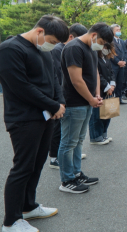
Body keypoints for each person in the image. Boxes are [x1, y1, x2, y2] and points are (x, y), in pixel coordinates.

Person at [0, 15, 69, 232]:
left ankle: (28, 206)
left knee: (37, 164)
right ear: (39, 32)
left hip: (46, 117)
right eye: (53, 41)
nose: (53, 46)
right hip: (24, 118)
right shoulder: (10, 49)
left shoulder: (42, 50)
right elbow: (20, 87)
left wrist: (60, 102)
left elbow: (55, 78)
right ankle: (11, 221)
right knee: (23, 167)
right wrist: (53, 105)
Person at [58, 22, 114, 194]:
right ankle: (67, 179)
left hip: (87, 102)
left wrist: (96, 94)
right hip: (75, 103)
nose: (102, 47)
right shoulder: (74, 48)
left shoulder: (90, 47)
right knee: (69, 142)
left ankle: (76, 173)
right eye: (102, 42)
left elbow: (95, 73)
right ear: (94, 35)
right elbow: (76, 80)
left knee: (79, 140)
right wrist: (91, 99)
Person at [49, 23, 87, 170]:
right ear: (71, 36)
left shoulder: (67, 48)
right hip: (59, 94)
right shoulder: (58, 49)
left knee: (63, 129)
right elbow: (58, 75)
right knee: (58, 128)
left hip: (63, 94)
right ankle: (54, 157)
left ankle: (62, 155)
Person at [88, 43, 117, 145]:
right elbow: (97, 75)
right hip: (99, 90)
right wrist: (107, 86)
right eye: (105, 47)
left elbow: (112, 72)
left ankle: (103, 134)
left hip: (108, 89)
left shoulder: (106, 58)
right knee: (96, 115)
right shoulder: (95, 57)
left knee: (107, 113)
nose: (106, 49)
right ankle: (95, 137)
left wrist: (112, 84)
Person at [109, 24, 127, 105]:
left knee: (120, 82)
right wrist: (118, 62)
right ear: (112, 31)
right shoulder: (110, 41)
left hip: (122, 66)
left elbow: (125, 52)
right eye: (116, 30)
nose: (118, 31)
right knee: (113, 82)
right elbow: (111, 53)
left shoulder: (122, 41)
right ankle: (112, 98)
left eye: (119, 30)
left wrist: (124, 61)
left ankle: (119, 98)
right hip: (114, 65)